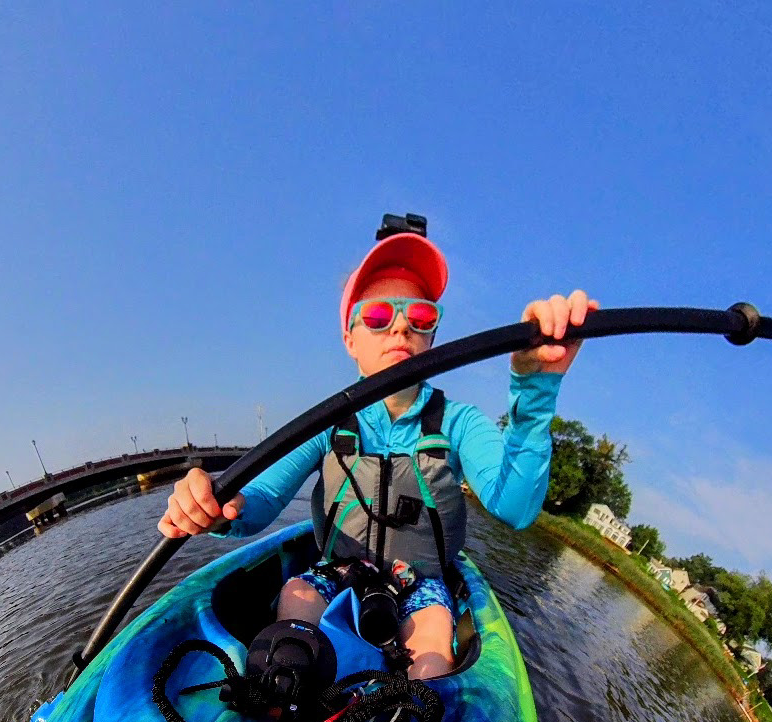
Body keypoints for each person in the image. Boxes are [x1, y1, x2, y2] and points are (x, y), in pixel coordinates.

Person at [160, 222, 595, 679]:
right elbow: (260, 500)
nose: (401, 327)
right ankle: (282, 693)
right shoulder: (326, 422)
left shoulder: (460, 422)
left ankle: (412, 707)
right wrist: (214, 503)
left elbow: (516, 508)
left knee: (434, 631)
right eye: (378, 316)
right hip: (338, 570)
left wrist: (536, 385)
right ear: (350, 340)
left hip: (420, 583)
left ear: (431, 339)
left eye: (420, 317)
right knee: (295, 597)